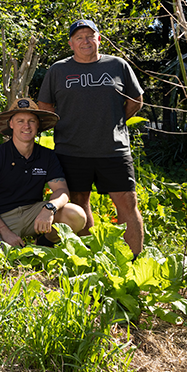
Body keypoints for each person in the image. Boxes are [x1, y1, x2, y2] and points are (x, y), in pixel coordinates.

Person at [38, 19, 145, 256]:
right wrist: (69, 125)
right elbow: (44, 106)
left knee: (127, 206)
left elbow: (136, 100)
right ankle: (89, 258)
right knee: (78, 204)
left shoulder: (118, 65)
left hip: (113, 150)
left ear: (98, 38)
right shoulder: (58, 70)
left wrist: (112, 122)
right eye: (79, 37)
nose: (85, 41)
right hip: (71, 150)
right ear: (71, 43)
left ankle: (134, 262)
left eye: (89, 36)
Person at [0, 98, 86, 247]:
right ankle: (2, 239)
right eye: (20, 121)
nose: (26, 126)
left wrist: (50, 208)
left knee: (76, 215)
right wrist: (4, 231)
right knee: (0, 252)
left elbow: (62, 190)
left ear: (38, 124)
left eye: (31, 121)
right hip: (2, 217)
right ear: (11, 124)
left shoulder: (47, 156)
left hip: (33, 213)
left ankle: (43, 245)